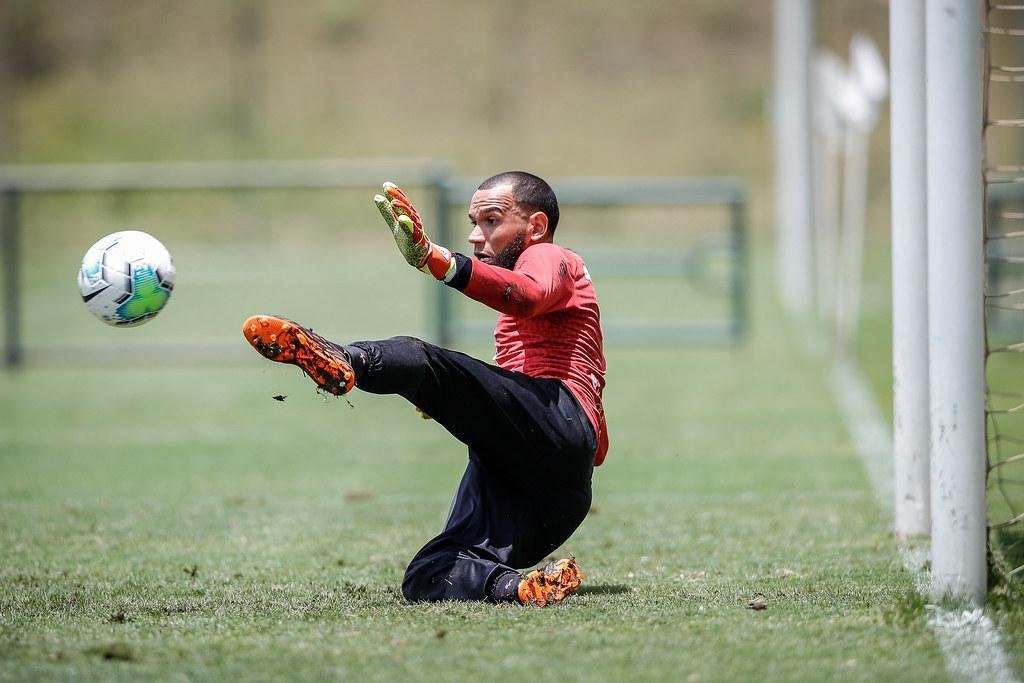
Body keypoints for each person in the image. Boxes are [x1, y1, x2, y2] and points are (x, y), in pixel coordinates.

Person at [242, 171, 608, 606]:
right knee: (430, 572)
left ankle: (343, 358)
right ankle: (519, 588)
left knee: (422, 360)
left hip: (555, 426)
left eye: (491, 221)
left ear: (536, 227)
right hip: (552, 491)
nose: (475, 235)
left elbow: (527, 295)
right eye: (473, 221)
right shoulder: (525, 299)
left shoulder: (551, 255)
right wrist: (462, 406)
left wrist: (438, 260)